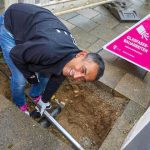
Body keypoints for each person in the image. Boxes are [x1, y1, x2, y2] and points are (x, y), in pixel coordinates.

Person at [0, 3, 105, 116]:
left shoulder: (73, 60)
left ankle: (36, 95)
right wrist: (31, 77)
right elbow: (16, 54)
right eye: (83, 70)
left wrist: (44, 100)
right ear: (82, 54)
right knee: (20, 79)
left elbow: (58, 77)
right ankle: (20, 104)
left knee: (45, 75)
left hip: (34, 25)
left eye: (82, 79)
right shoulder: (48, 49)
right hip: (11, 22)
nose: (76, 76)